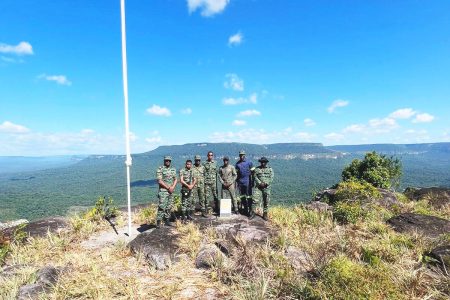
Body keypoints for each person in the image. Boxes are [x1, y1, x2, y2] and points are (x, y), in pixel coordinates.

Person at [156, 155, 177, 227]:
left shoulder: (173, 169)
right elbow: (159, 181)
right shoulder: (160, 169)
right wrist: (168, 188)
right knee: (162, 207)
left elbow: (175, 179)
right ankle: (158, 222)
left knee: (169, 206)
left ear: (170, 161)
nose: (168, 161)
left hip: (171, 191)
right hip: (163, 191)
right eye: (166, 160)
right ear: (164, 161)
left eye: (169, 160)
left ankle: (167, 221)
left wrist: (173, 187)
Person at [252, 156, 274, 221]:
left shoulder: (270, 169)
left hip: (266, 187)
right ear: (260, 162)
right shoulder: (257, 169)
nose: (263, 163)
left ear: (266, 162)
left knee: (266, 201)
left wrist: (266, 183)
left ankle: (265, 214)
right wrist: (259, 183)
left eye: (264, 162)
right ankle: (253, 213)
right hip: (258, 187)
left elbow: (271, 178)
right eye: (262, 162)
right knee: (255, 200)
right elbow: (255, 176)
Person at [235, 150, 253, 216]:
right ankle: (245, 209)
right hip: (240, 183)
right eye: (240, 155)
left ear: (244, 155)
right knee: (242, 196)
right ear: (239, 155)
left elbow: (253, 173)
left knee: (249, 196)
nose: (241, 156)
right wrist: (236, 182)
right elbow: (236, 174)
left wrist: (252, 181)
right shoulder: (237, 164)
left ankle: (250, 210)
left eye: (242, 155)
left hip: (248, 182)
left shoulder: (249, 163)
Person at [203, 151, 219, 216]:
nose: (210, 156)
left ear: (213, 156)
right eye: (209, 155)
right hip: (207, 183)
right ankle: (206, 210)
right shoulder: (204, 163)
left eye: (211, 155)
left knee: (215, 196)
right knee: (207, 197)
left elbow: (217, 172)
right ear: (207, 156)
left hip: (214, 183)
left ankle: (217, 209)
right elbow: (203, 173)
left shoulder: (215, 163)